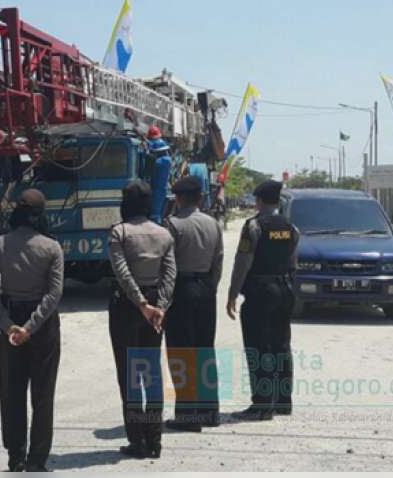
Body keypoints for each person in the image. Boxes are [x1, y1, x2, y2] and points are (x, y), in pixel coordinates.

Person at [0, 189, 64, 472]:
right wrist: (31, 327)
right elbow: (54, 295)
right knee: (43, 395)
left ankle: (15, 457)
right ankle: (37, 461)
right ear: (41, 215)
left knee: (12, 392)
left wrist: (9, 326)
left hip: (11, 326)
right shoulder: (52, 248)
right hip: (43, 327)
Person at [108, 179, 176, 459]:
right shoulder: (163, 234)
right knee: (151, 374)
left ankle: (137, 442)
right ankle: (155, 441)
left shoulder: (119, 232)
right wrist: (158, 306)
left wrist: (142, 304)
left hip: (126, 308)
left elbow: (122, 273)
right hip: (155, 312)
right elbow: (170, 275)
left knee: (129, 376)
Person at [226, 180, 299, 421]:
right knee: (281, 345)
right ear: (278, 201)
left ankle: (262, 405)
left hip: (260, 292)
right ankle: (283, 401)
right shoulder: (291, 227)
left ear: (259, 201)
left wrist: (232, 293)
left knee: (259, 347)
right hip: (285, 290)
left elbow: (242, 262)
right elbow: (293, 262)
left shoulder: (254, 226)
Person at [164, 175, 224, 431]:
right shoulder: (213, 224)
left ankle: (188, 416)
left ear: (178, 199)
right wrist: (211, 286)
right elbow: (218, 261)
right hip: (206, 290)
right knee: (204, 350)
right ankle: (210, 412)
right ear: (200, 198)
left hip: (181, 290)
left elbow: (167, 266)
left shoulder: (173, 225)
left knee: (182, 351)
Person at [148, 136, 172, 224]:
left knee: (155, 214)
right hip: (162, 190)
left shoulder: (160, 161)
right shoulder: (167, 160)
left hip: (157, 191)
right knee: (158, 214)